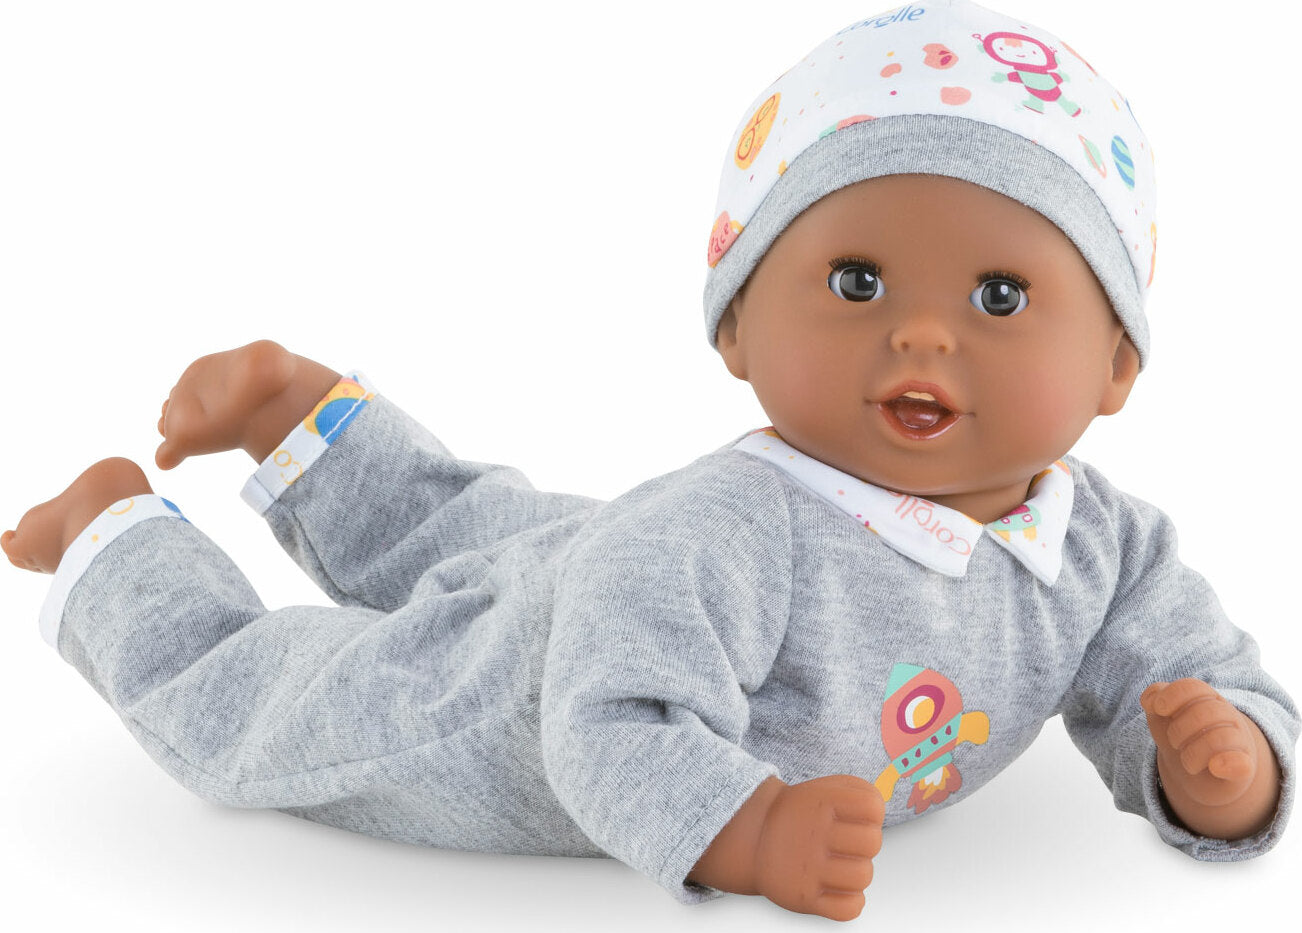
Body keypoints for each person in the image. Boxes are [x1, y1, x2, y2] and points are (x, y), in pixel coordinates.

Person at [3, 0, 1296, 922]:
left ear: (1116, 364)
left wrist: (1225, 767)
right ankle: (112, 539)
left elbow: (1198, 678)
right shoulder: (727, 532)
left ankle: (303, 415)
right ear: (736, 326)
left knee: (488, 530)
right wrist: (748, 828)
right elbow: (603, 721)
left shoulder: (1106, 546)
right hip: (519, 705)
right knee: (262, 711)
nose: (920, 332)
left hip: (614, 572)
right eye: (855, 281)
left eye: (1000, 297)